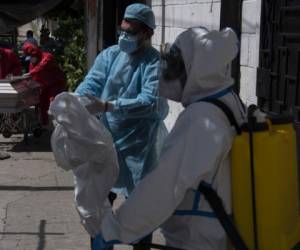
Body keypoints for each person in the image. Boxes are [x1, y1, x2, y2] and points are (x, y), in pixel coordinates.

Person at [92, 27, 246, 250]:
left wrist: (114, 229)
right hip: (215, 232)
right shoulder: (227, 101)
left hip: (198, 239)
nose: (166, 73)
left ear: (197, 70)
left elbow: (164, 186)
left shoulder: (200, 119)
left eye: (175, 66)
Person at [75, 3, 168, 198]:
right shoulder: (111, 54)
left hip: (140, 142)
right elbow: (93, 81)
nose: (124, 37)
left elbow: (151, 102)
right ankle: (103, 229)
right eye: (123, 31)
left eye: (131, 33)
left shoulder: (154, 62)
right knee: (101, 194)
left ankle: (138, 229)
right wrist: (75, 101)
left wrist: (107, 106)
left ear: (147, 34)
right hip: (108, 136)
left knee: (139, 200)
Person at [22, 42, 66, 126]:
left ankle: (60, 125)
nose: (30, 60)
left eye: (31, 57)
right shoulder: (32, 64)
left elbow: (41, 67)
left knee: (54, 103)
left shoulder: (47, 57)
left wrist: (30, 74)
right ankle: (45, 125)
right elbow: (32, 77)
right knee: (43, 103)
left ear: (36, 54)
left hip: (56, 84)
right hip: (45, 85)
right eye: (29, 59)